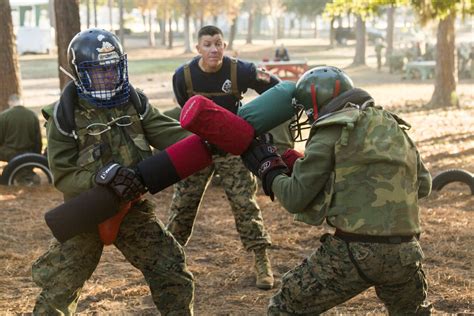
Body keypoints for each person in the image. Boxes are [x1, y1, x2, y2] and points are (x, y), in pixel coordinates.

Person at [241, 66, 432, 314]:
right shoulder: (393, 125)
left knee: (284, 307)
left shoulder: (331, 128)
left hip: (353, 252)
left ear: (314, 105)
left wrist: (269, 171)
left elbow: (295, 198)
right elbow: (424, 185)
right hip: (407, 253)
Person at [31, 28, 194, 314]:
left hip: (133, 210)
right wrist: (100, 178)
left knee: (173, 273)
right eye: (98, 70)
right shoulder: (64, 115)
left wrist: (213, 136)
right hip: (87, 212)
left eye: (112, 68)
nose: (107, 75)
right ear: (80, 73)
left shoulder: (135, 102)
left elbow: (174, 135)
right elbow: (62, 175)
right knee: (58, 291)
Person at [167, 25, 282, 290]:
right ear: (198, 48)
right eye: (207, 44)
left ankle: (261, 259)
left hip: (233, 148)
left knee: (245, 204)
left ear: (225, 46)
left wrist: (253, 122)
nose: (214, 49)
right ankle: (169, 263)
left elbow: (276, 92)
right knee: (182, 204)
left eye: (218, 43)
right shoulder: (183, 76)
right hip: (198, 148)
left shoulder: (240, 70)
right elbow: (185, 111)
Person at [0, 94, 43, 185]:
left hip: (9, 153)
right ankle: (26, 174)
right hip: (28, 151)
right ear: (22, 102)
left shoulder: (3, 116)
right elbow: (37, 140)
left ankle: (21, 176)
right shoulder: (32, 115)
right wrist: (37, 155)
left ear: (9, 103)